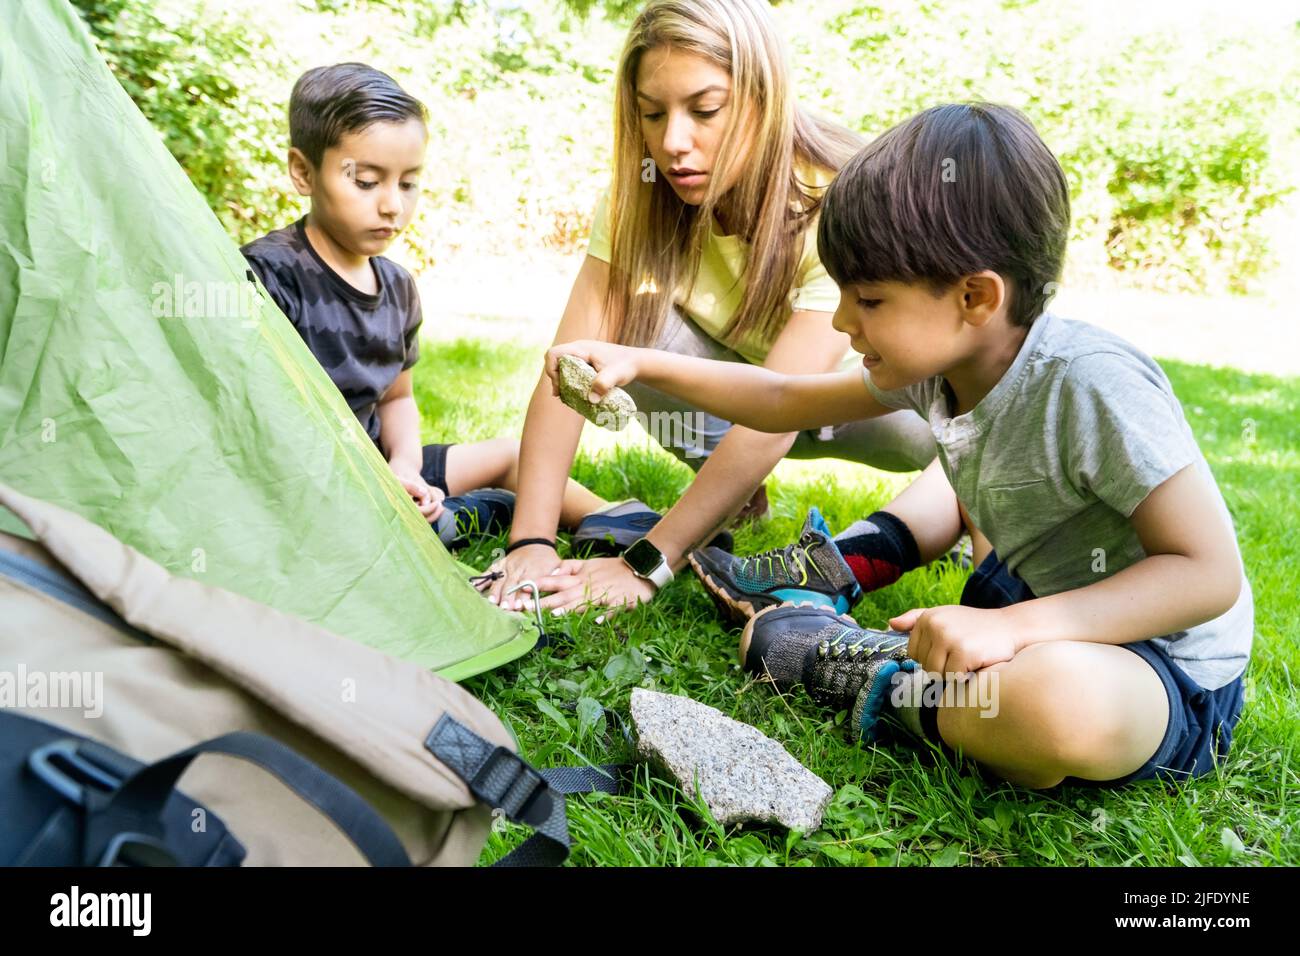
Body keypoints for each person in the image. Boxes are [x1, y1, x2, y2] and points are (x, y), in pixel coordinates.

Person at [544, 103, 1253, 789]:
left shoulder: (1092, 383)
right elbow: (783, 398)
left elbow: (1206, 573)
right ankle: (873, 633)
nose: (844, 320)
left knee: (1052, 708)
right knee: (1018, 680)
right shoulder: (937, 371)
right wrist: (643, 363)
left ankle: (862, 668)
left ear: (975, 297)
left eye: (871, 300)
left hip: (1163, 663)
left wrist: (1020, 628)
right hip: (1024, 608)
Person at [488, 0, 935, 613]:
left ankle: (956, 499)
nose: (673, 142)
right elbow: (570, 366)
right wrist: (531, 541)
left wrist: (647, 562)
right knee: (624, 343)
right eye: (652, 113)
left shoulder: (839, 197)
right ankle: (734, 492)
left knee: (933, 430)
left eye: (705, 110)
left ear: (763, 97)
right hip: (753, 389)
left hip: (874, 403)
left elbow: (777, 406)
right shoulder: (638, 196)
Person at [241, 63, 608, 548]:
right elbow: (258, 420)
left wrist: (405, 467)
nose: (392, 205)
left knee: (512, 455)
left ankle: (630, 524)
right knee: (381, 531)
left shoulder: (396, 285)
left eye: (408, 183)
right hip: (315, 481)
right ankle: (477, 514)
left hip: (384, 466)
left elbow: (397, 398)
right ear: (303, 172)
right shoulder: (268, 274)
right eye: (367, 181)